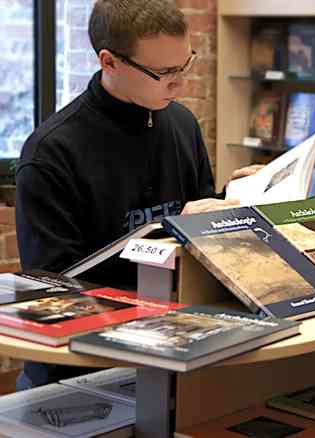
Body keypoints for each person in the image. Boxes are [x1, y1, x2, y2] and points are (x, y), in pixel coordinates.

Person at [14, 0, 243, 390]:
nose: (180, 84)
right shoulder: (52, 152)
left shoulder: (182, 123)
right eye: (164, 73)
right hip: (82, 370)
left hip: (173, 348)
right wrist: (171, 231)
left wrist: (235, 197)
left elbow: (194, 218)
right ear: (110, 62)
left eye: (186, 64)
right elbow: (54, 287)